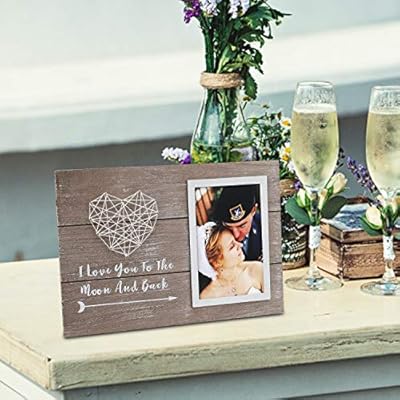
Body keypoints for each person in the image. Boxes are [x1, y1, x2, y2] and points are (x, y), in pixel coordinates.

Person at [200, 224, 264, 299]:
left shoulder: (257, 269)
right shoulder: (206, 297)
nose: (240, 245)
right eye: (232, 246)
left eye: (235, 241)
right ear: (216, 262)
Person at [212, 185, 262, 261]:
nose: (236, 235)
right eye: (228, 227)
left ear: (254, 210)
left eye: (242, 226)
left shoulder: (264, 226)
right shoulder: (216, 236)